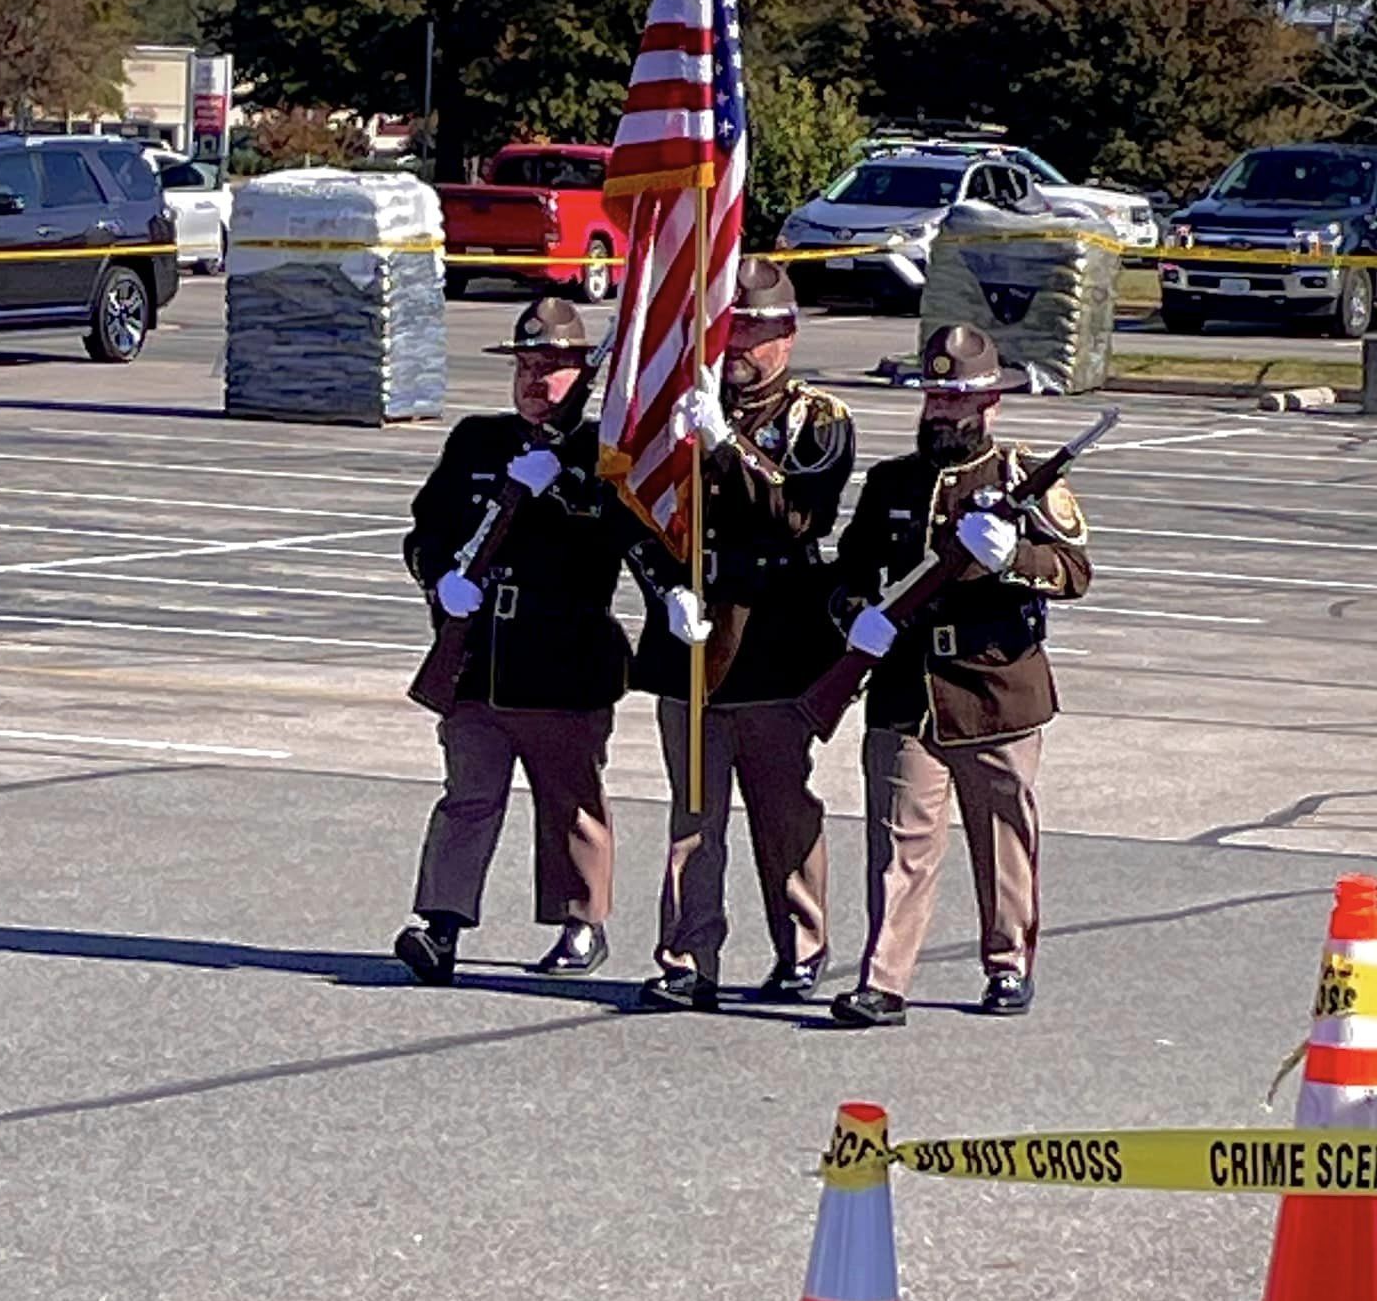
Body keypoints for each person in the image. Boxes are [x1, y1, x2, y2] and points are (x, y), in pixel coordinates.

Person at [829, 321, 1091, 1028]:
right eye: (934, 396)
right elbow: (848, 572)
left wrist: (1014, 559)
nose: (941, 411)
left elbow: (1073, 573)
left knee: (1002, 835)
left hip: (994, 687)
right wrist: (859, 618)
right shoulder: (891, 482)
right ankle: (882, 980)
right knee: (897, 844)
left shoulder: (1022, 479)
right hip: (906, 689)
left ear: (989, 404)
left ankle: (1008, 963)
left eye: (956, 399)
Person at [625, 256, 857, 1011]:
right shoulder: (679, 406)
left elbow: (799, 515)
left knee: (780, 808)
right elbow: (633, 513)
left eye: (759, 334)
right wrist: (662, 591)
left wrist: (727, 446)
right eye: (732, 331)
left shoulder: (817, 421)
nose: (743, 350)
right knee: (694, 815)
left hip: (773, 640)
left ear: (789, 337)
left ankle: (802, 947)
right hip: (690, 636)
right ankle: (688, 957)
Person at [395, 296, 630, 986]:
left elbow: (613, 537)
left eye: (553, 369)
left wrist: (559, 490)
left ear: (580, 375)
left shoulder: (600, 452)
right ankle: (440, 925)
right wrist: (440, 582)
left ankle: (582, 922)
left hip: (560, 661)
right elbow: (427, 530)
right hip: (475, 660)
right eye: (526, 366)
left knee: (570, 801)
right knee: (467, 797)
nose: (535, 382)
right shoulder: (475, 440)